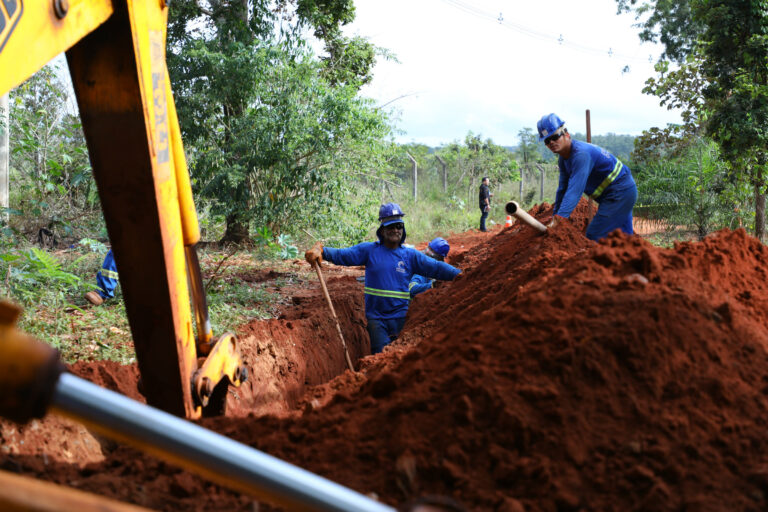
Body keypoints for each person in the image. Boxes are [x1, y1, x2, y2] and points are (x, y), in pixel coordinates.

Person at [305, 203, 461, 354]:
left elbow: (436, 267)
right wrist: (322, 251)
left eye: (398, 226)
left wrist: (460, 275)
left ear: (403, 228)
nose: (395, 230)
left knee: (401, 359)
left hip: (401, 317)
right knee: (379, 358)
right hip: (377, 319)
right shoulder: (369, 250)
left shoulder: (410, 255)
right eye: (391, 226)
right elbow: (344, 255)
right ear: (382, 229)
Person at [537, 113, 638, 241]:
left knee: (594, 235)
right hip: (612, 195)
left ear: (566, 134)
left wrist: (560, 218)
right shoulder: (563, 160)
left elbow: (574, 191)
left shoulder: (580, 155)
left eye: (555, 137)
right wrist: (555, 216)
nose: (551, 142)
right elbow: (563, 189)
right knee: (625, 238)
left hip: (621, 192)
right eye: (547, 141)